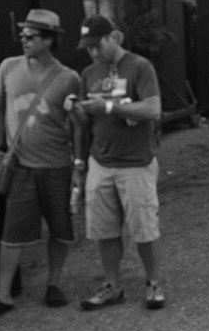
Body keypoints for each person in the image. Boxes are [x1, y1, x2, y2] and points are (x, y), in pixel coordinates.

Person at [0, 8, 84, 321]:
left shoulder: (69, 78)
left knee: (61, 229)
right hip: (20, 165)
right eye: (22, 34)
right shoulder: (8, 67)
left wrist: (78, 163)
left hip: (57, 166)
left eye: (31, 35)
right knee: (12, 231)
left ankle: (54, 284)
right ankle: (3, 295)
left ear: (49, 40)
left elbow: (78, 124)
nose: (23, 39)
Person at [71, 16, 166, 311]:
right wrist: (77, 110)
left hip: (136, 162)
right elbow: (86, 123)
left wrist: (109, 106)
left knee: (144, 227)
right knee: (103, 229)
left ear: (114, 37)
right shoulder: (88, 73)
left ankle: (153, 283)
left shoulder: (140, 67)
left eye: (97, 46)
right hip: (101, 161)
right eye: (88, 49)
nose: (94, 53)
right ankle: (112, 285)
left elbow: (153, 109)